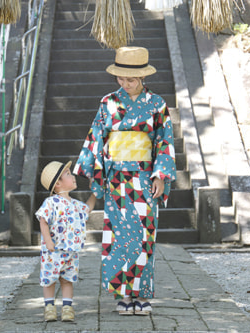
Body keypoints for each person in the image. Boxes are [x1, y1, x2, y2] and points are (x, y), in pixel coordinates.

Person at [73, 46, 176, 316]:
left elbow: (164, 141)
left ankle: (142, 294)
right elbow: (96, 138)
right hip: (116, 180)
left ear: (142, 77)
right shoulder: (108, 102)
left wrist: (161, 176)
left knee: (144, 236)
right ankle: (123, 295)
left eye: (131, 80)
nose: (125, 84)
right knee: (119, 238)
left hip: (144, 178)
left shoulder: (157, 104)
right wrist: (97, 177)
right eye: (121, 78)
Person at [35, 160, 96, 322]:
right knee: (49, 279)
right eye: (68, 174)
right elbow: (43, 220)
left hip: (71, 250)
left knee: (67, 279)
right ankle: (49, 307)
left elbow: (88, 208)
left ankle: (67, 307)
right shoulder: (50, 203)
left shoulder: (76, 204)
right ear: (57, 184)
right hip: (53, 250)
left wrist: (95, 194)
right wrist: (48, 241)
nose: (73, 176)